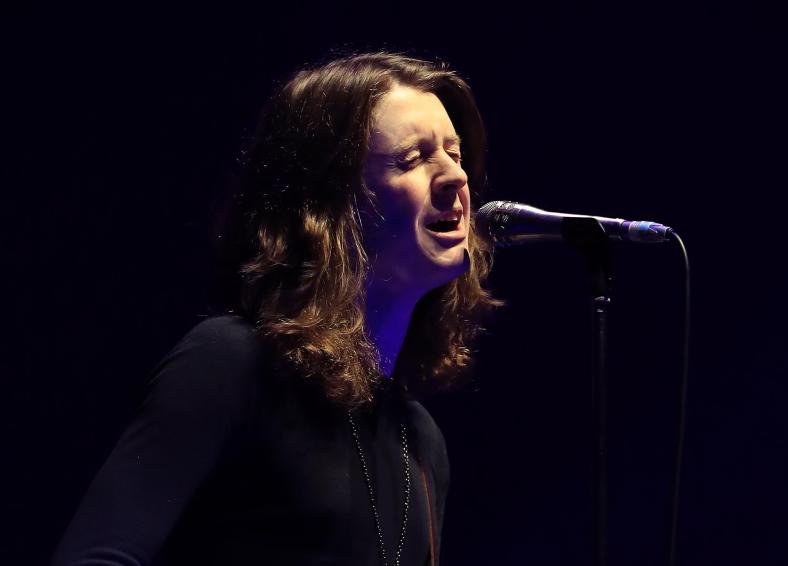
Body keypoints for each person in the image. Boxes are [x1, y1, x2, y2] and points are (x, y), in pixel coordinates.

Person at [50, 51, 500, 566]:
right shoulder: (230, 364)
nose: (454, 178)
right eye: (412, 159)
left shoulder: (421, 444)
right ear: (330, 204)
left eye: (454, 153)